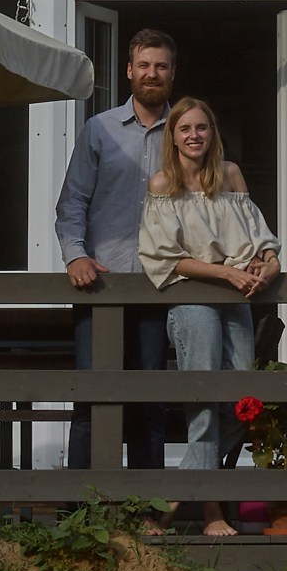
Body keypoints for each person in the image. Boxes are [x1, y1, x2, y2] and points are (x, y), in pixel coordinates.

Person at [138, 96, 279, 536]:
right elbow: (164, 257)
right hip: (193, 298)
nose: (194, 135)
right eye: (185, 129)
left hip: (236, 298)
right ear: (173, 137)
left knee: (240, 403)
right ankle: (213, 513)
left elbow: (258, 237)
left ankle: (175, 499)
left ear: (211, 133)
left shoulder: (231, 175)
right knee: (203, 401)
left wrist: (269, 263)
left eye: (202, 127)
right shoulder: (164, 184)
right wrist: (224, 272)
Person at [55, 28, 180, 474]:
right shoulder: (99, 130)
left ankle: (146, 512)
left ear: (171, 72)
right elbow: (72, 203)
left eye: (160, 66)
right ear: (129, 71)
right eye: (144, 65)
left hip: (160, 285)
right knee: (92, 400)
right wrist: (75, 254)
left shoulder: (187, 133)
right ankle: (82, 512)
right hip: (100, 284)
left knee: (149, 402)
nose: (152, 73)